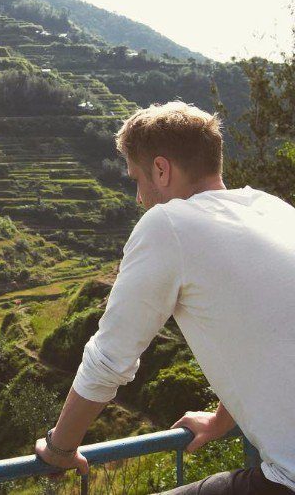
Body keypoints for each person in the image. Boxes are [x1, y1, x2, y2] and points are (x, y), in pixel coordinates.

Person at [34, 101, 295, 494]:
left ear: (161, 169)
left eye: (137, 180)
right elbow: (268, 330)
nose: (139, 198)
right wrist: (221, 422)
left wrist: (60, 448)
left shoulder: (169, 223)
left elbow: (109, 359)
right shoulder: (271, 209)